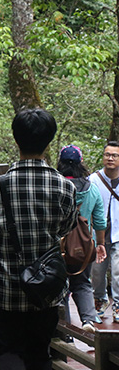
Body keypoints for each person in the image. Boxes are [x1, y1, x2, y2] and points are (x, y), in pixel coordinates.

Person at [0, 108, 76, 370]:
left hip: (5, 290)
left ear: (16, 139)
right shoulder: (64, 187)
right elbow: (65, 229)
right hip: (45, 293)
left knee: (6, 353)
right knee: (40, 355)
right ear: (49, 142)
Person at [57, 145, 106, 332]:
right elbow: (100, 221)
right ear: (81, 163)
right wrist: (100, 244)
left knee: (60, 287)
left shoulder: (55, 185)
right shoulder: (92, 189)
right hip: (84, 247)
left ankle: (65, 332)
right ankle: (88, 320)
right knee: (83, 283)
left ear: (60, 162)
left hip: (57, 245)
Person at [90, 141, 119, 321]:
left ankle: (117, 304)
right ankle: (100, 299)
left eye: (114, 155)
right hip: (98, 235)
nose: (110, 158)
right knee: (97, 272)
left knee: (118, 270)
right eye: (107, 154)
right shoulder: (93, 180)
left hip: (118, 233)